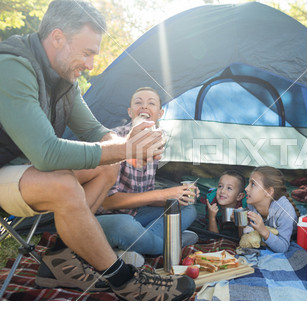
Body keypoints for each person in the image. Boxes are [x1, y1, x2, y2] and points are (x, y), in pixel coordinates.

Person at [0, 0, 194, 301]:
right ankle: (124, 280)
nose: (91, 64)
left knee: (107, 165)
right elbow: (47, 155)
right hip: (6, 169)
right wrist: (125, 149)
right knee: (64, 184)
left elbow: (95, 133)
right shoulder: (12, 67)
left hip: (24, 168)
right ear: (58, 38)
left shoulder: (64, 79)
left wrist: (134, 144)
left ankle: (62, 257)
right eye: (87, 52)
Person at [95, 87, 198, 261]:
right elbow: (105, 202)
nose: (144, 107)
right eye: (138, 103)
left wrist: (178, 195)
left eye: (151, 103)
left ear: (159, 113)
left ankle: (136, 246)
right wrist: (163, 194)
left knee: (187, 208)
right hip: (107, 218)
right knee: (125, 227)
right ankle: (172, 242)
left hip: (136, 214)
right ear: (130, 112)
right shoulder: (114, 140)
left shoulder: (156, 141)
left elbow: (146, 198)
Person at [245, 166, 299, 253]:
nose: (246, 188)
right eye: (248, 183)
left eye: (253, 184)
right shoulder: (251, 204)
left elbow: (283, 247)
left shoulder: (285, 210)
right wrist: (242, 223)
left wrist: (263, 230)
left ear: (269, 192)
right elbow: (248, 236)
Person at [205, 170, 246, 238]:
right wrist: (212, 217)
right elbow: (213, 238)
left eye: (229, 188)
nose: (222, 191)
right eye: (220, 186)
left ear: (239, 196)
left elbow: (243, 239)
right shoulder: (212, 203)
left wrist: (240, 222)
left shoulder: (244, 207)